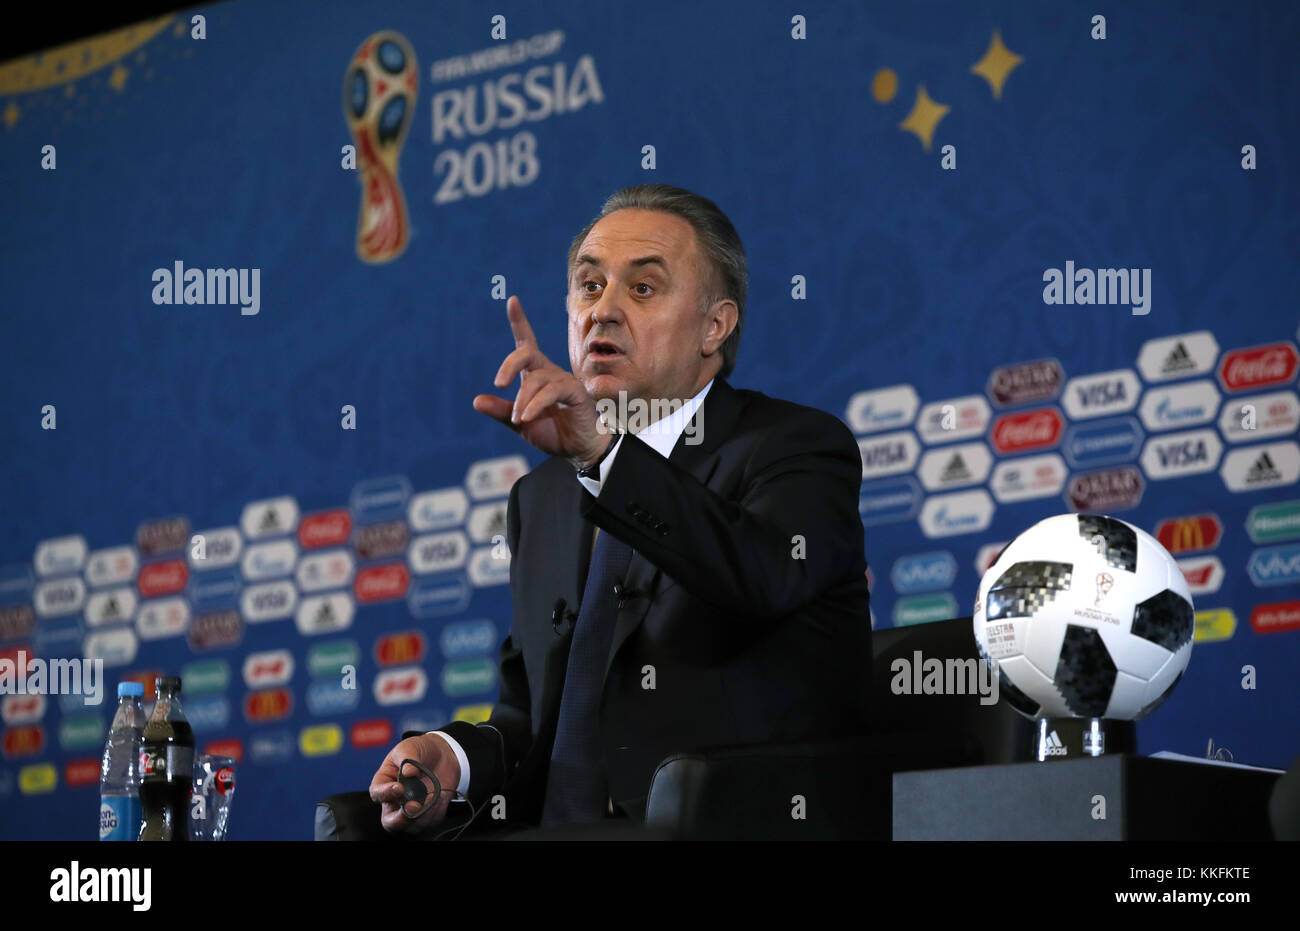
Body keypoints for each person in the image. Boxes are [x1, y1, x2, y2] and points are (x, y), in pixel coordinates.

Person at [370, 183, 871, 835]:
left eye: (642, 288)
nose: (602, 311)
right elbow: (536, 719)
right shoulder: (542, 496)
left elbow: (760, 576)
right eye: (588, 286)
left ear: (714, 326)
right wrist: (456, 760)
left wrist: (605, 459)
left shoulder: (796, 447)